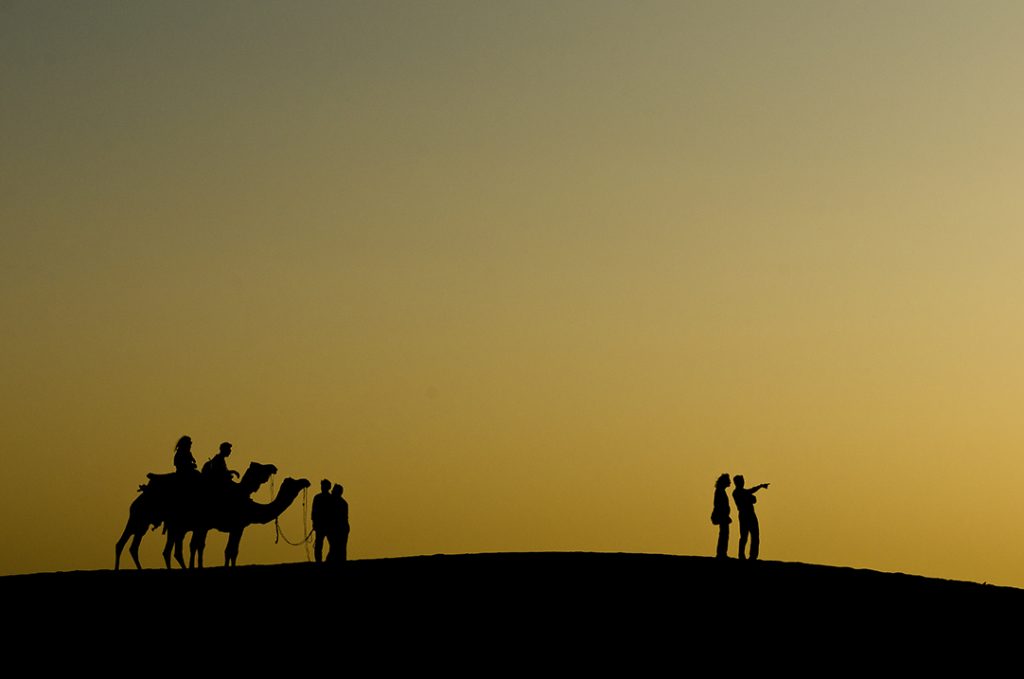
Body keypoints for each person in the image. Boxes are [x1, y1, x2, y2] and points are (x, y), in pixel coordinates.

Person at [731, 475, 769, 561]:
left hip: (749, 515)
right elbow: (752, 497)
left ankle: (752, 556)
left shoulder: (740, 492)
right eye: (741, 481)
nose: (743, 482)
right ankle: (743, 555)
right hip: (746, 515)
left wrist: (760, 486)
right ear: (737, 483)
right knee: (745, 536)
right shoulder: (737, 493)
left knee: (753, 535)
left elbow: (751, 493)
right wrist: (757, 491)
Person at [311, 479, 333, 563]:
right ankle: (319, 561)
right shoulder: (318, 497)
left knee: (332, 545)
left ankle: (326, 561)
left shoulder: (329, 498)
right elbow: (314, 512)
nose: (322, 487)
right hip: (321, 525)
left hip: (328, 525)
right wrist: (314, 522)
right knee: (319, 545)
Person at [327, 483, 349, 564]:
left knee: (336, 547)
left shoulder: (338, 503)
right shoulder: (342, 503)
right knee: (339, 547)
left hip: (339, 528)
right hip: (341, 528)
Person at [710, 473, 732, 559]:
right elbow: (719, 505)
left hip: (724, 516)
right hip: (722, 516)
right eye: (728, 480)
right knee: (724, 534)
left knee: (724, 534)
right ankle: (721, 553)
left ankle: (722, 553)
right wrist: (724, 515)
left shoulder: (721, 490)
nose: (730, 482)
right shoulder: (719, 491)